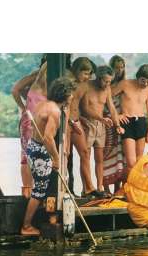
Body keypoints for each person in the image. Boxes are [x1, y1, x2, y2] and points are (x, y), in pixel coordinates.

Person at [21, 77, 76, 236]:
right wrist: (56, 158)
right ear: (65, 94)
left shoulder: (42, 104)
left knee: (42, 187)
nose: (72, 97)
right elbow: (48, 138)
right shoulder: (54, 111)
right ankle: (26, 226)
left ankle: (45, 219)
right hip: (40, 150)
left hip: (33, 146)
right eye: (71, 94)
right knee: (39, 191)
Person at [80, 65, 124, 196]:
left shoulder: (107, 89)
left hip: (101, 126)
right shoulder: (87, 86)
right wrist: (102, 118)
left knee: (99, 158)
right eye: (105, 81)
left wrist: (117, 126)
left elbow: (112, 108)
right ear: (98, 78)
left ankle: (99, 188)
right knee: (85, 157)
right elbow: (85, 108)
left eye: (110, 81)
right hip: (87, 124)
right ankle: (86, 188)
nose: (107, 84)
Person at [11, 58, 47, 198]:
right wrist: (23, 107)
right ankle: (27, 191)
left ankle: (34, 190)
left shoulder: (46, 82)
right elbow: (15, 90)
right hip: (29, 120)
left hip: (39, 122)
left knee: (35, 155)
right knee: (27, 155)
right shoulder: (36, 77)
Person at [66, 57, 101, 197]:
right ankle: (65, 188)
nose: (87, 77)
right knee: (66, 155)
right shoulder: (67, 83)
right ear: (76, 70)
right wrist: (71, 121)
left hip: (76, 121)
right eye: (85, 73)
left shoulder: (85, 86)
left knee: (85, 153)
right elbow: (63, 105)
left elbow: (83, 107)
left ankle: (88, 188)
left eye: (89, 74)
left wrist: (99, 119)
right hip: (65, 122)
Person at [111, 64, 148, 175]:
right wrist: (117, 115)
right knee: (131, 162)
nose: (145, 84)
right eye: (143, 80)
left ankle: (134, 188)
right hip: (127, 122)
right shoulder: (125, 84)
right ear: (137, 77)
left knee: (139, 160)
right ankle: (128, 187)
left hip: (141, 122)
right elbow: (107, 97)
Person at [103, 55, 127, 195]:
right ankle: (105, 188)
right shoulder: (106, 84)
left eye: (121, 67)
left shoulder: (124, 84)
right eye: (116, 67)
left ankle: (118, 189)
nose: (119, 70)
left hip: (121, 123)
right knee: (106, 154)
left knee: (120, 156)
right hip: (107, 121)